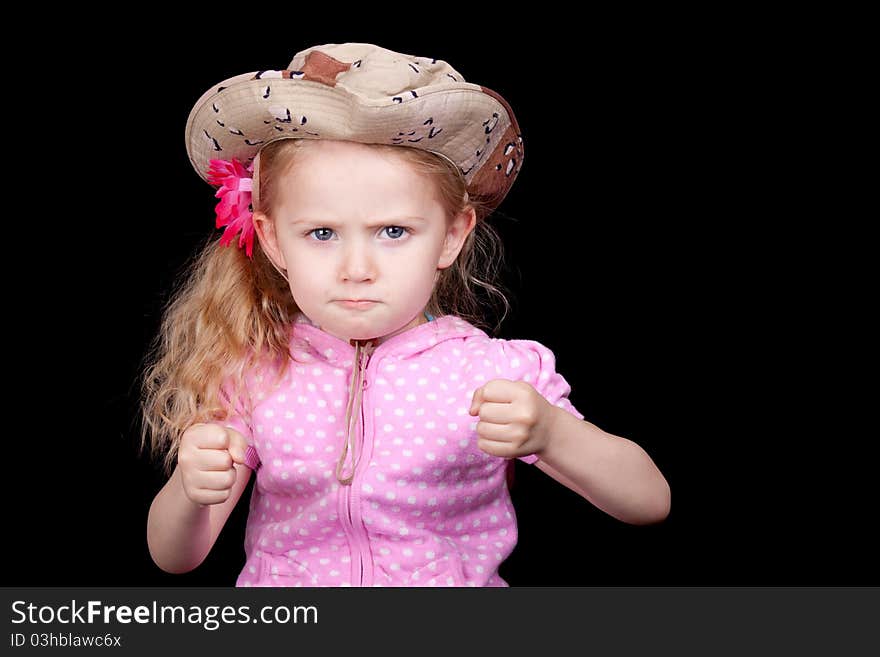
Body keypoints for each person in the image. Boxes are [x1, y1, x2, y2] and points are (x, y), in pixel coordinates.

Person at [141, 42, 670, 587]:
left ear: (451, 236)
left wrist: (554, 434)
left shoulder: (491, 374)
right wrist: (189, 485)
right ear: (273, 239)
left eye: (393, 232)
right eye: (321, 234)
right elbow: (175, 555)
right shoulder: (255, 373)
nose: (356, 268)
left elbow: (649, 501)